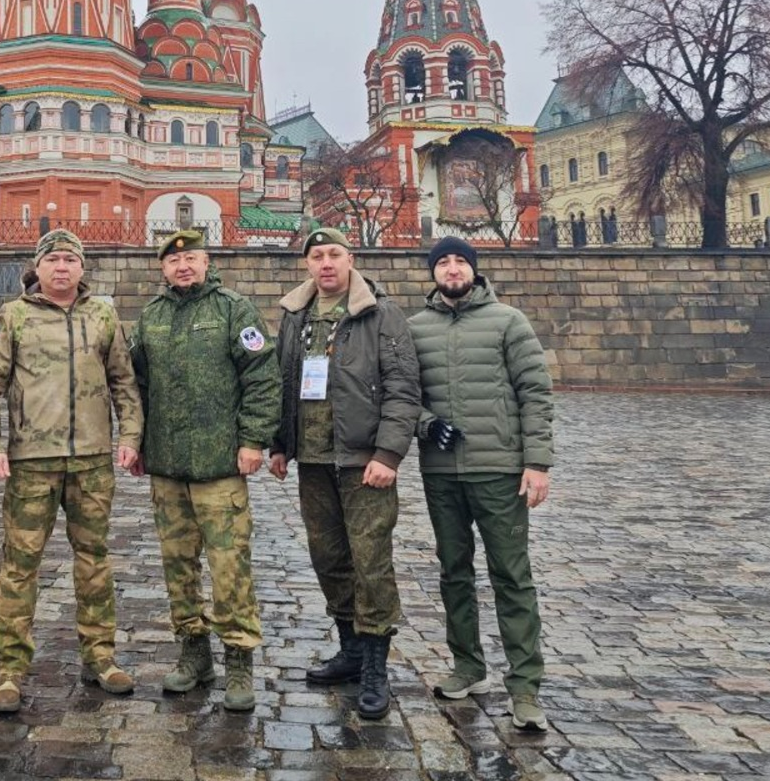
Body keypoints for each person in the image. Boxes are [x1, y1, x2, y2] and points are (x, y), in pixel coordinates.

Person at [0, 229, 144, 715]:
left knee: (94, 561)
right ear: (38, 267)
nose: (62, 268)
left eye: (71, 259)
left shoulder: (103, 315)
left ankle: (101, 656)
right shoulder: (14, 316)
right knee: (20, 565)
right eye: (54, 260)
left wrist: (129, 437)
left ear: (82, 268)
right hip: (31, 462)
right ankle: (10, 667)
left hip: (91, 461)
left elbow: (124, 383)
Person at [269, 228, 420, 720]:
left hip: (363, 462)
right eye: (317, 256)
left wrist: (389, 455)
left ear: (350, 259)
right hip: (313, 459)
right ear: (307, 265)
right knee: (329, 556)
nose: (326, 263)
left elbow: (403, 389)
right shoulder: (295, 315)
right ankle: (350, 649)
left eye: (334, 254)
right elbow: (283, 380)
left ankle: (376, 664)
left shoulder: (380, 313)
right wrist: (280, 444)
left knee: (370, 558)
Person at [130, 228, 280, 712]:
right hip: (168, 465)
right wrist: (136, 442)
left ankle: (238, 658)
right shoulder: (150, 317)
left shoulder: (234, 309)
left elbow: (261, 377)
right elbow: (135, 386)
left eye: (191, 258)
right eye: (174, 261)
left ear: (206, 260)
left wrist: (253, 439)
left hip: (220, 465)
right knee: (178, 565)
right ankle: (194, 652)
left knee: (229, 564)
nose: (183, 267)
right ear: (162, 268)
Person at [410, 235, 555, 734]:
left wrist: (537, 463)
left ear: (473, 269)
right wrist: (427, 424)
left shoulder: (508, 322)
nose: (451, 269)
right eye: (442, 262)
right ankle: (467, 667)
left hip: (499, 471)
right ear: (432, 273)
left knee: (511, 577)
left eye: (459, 261)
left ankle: (525, 686)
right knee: (453, 572)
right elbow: (403, 396)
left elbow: (535, 393)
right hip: (442, 473)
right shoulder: (415, 329)